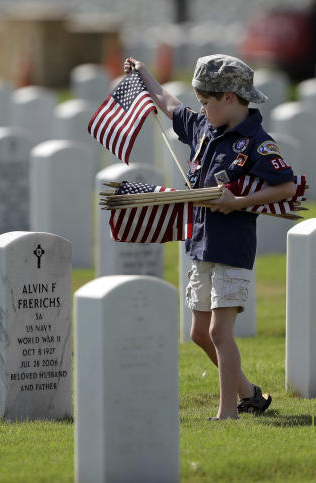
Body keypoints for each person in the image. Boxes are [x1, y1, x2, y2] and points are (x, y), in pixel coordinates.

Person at [123, 54, 297, 420]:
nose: (200, 109)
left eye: (206, 102)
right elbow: (170, 106)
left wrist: (240, 202)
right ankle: (249, 394)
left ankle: (227, 412)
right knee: (200, 333)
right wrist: (144, 76)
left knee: (220, 330)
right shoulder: (205, 126)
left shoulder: (256, 142)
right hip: (200, 244)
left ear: (229, 98)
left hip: (232, 248)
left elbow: (286, 186)